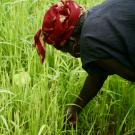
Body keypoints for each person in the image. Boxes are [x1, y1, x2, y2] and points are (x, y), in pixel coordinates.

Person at [34, 0, 135, 127]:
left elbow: (132, 75)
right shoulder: (94, 14)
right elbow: (97, 74)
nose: (73, 55)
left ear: (71, 41)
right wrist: (75, 108)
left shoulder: (89, 41)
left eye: (66, 50)